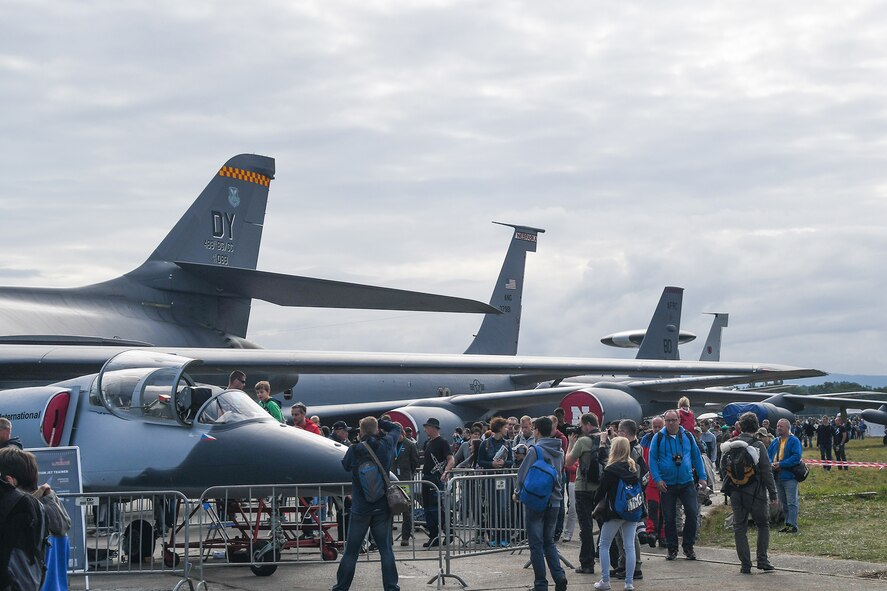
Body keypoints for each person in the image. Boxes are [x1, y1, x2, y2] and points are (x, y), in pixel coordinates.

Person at [331, 417, 402, 591]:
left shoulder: (355, 449)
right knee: (386, 550)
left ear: (360, 432)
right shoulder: (386, 445)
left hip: (360, 508)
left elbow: (345, 466)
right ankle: (391, 587)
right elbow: (396, 429)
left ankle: (341, 587)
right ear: (377, 430)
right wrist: (380, 422)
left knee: (351, 551)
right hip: (382, 507)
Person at [720, 412, 777, 574]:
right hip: (756, 493)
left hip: (736, 492)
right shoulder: (758, 445)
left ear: (740, 426)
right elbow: (766, 471)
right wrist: (773, 494)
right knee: (763, 525)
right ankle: (762, 559)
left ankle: (745, 564)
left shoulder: (730, 444)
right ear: (756, 426)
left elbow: (722, 466)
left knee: (740, 528)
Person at [514, 416, 567, 591]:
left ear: (537, 431)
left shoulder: (535, 451)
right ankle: (559, 576)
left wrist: (517, 493)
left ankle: (540, 584)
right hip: (555, 501)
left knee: (536, 544)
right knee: (549, 541)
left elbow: (522, 475)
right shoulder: (559, 451)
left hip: (537, 501)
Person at [648, 409, 707, 561]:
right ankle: (672, 548)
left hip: (686, 482)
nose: (671, 423)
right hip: (667, 485)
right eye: (668, 421)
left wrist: (702, 477)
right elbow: (652, 460)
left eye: (674, 420)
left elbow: (696, 456)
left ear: (679, 421)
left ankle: (688, 546)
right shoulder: (659, 437)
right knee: (669, 518)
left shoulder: (687, 436)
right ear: (665, 421)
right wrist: (657, 479)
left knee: (692, 513)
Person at [591, 437, 644, 591]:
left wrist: (595, 503)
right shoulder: (634, 468)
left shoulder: (611, 469)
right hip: (632, 509)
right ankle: (629, 583)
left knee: (604, 545)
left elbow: (601, 491)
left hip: (614, 511)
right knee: (629, 546)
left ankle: (605, 581)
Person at [565, 412, 608, 575]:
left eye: (582, 425)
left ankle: (587, 563)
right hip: (601, 488)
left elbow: (568, 461)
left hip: (583, 488)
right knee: (605, 525)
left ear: (588, 425)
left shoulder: (583, 441)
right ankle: (611, 559)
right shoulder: (606, 439)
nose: (581, 428)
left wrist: (570, 443)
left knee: (586, 527)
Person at [421, 418, 454, 548]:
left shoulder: (443, 442)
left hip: (436, 479)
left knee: (437, 509)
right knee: (428, 509)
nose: (425, 430)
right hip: (427, 478)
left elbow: (451, 459)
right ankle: (433, 536)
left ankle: (448, 532)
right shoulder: (428, 442)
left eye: (427, 427)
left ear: (433, 428)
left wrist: (446, 472)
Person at [769, 418, 802, 535]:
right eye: (777, 426)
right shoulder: (775, 441)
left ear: (788, 428)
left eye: (781, 426)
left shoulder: (794, 441)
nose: (778, 428)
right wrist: (771, 464)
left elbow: (796, 457)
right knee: (783, 502)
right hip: (778, 476)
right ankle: (788, 523)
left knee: (792, 501)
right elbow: (769, 455)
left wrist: (781, 464)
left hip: (789, 476)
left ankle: (792, 525)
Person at [639, 416, 665, 547]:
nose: (657, 429)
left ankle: (662, 535)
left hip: (664, 480)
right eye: (655, 427)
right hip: (650, 481)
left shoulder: (667, 438)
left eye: (659, 426)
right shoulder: (646, 439)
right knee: (653, 507)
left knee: (664, 509)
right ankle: (652, 533)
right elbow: (642, 460)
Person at [393, 425, 420, 546]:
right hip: (392, 480)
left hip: (405, 481)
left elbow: (415, 462)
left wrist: (409, 474)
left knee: (406, 509)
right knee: (389, 508)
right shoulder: (390, 444)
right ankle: (388, 537)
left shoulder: (409, 445)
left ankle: (405, 537)